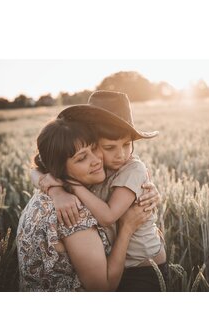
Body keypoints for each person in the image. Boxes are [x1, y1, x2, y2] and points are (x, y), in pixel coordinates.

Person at [32, 91, 167, 291]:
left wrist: (72, 185)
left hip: (143, 267)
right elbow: (37, 171)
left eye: (127, 145)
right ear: (92, 142)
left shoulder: (133, 169)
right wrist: (55, 190)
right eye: (109, 147)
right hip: (115, 263)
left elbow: (108, 216)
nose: (121, 154)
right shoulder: (93, 166)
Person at [16, 117, 152, 292]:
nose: (96, 160)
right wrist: (127, 228)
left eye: (94, 148)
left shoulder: (44, 192)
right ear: (59, 168)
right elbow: (103, 288)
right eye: (81, 158)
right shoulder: (72, 211)